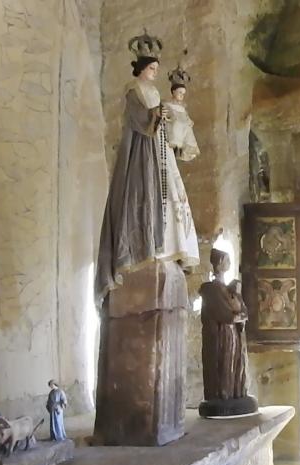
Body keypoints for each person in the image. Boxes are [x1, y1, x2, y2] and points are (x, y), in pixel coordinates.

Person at [94, 30, 199, 304]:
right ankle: (141, 245)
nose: (154, 72)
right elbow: (138, 119)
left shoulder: (153, 90)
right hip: (141, 150)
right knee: (142, 194)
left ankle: (165, 244)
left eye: (156, 68)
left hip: (159, 148)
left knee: (168, 194)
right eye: (151, 68)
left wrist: (163, 117)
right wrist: (156, 115)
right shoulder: (133, 90)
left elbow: (159, 118)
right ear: (141, 68)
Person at [199, 249, 248, 402]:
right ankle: (221, 396)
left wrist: (239, 309)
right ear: (219, 264)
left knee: (234, 366)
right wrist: (237, 315)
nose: (229, 263)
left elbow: (244, 311)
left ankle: (234, 393)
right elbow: (224, 314)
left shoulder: (230, 288)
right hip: (221, 337)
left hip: (233, 335)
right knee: (222, 366)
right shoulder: (212, 289)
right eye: (226, 260)